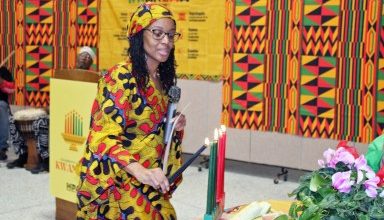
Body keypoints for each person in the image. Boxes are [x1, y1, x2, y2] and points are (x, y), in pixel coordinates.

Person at [76, 3, 186, 219]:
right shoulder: (119, 77)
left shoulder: (162, 80)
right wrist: (140, 171)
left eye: (171, 35)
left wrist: (173, 127)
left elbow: (153, 131)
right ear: (138, 34)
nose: (166, 41)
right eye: (157, 33)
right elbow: (102, 137)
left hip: (149, 175)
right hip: (118, 179)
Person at [0, 66, 15, 160]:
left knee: (1, 106)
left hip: (1, 103)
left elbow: (12, 89)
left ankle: (2, 148)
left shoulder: (3, 71)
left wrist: (2, 82)